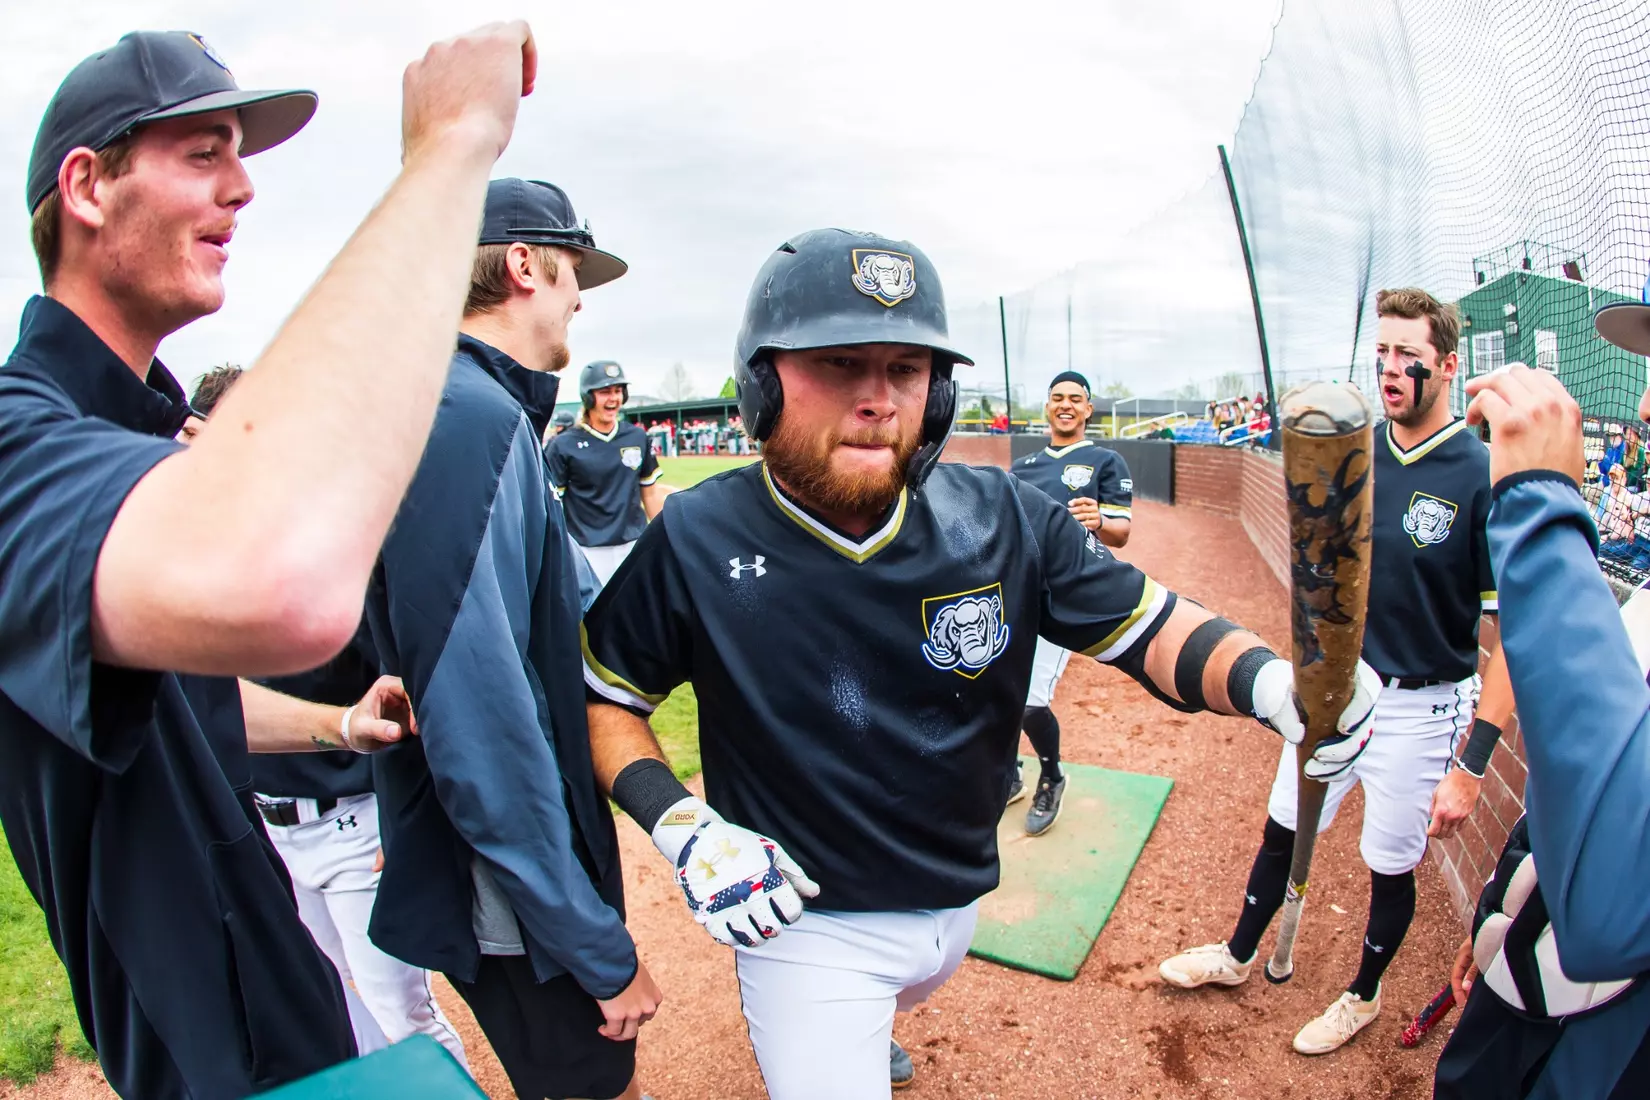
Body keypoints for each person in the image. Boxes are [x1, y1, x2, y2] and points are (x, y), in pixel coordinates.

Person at [577, 228, 1380, 1099]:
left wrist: (1269, 681)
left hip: (959, 896)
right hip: (806, 925)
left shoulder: (1003, 515)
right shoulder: (696, 536)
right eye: (840, 363)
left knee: (909, 987)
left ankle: (877, 1020)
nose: (879, 399)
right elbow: (605, 697)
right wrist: (684, 826)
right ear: (762, 384)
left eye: (907, 369)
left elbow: (1150, 625)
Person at [0, 24, 534, 1097]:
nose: (242, 188)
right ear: (87, 187)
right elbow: (284, 582)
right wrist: (450, 149)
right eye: (204, 153)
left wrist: (333, 723)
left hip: (280, 1006)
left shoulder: (133, 434)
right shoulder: (19, 440)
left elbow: (165, 692)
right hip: (208, 1061)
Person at [363, 178, 659, 1100]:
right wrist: (591, 941)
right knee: (594, 1086)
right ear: (524, 265)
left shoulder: (476, 407)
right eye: (574, 272)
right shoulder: (468, 418)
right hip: (511, 892)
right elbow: (482, 724)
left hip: (505, 862)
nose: (580, 300)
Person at [1159, 287, 1514, 1055]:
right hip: (1335, 686)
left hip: (1422, 705)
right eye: (1381, 352)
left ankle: (1363, 995)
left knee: (1389, 863)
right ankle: (1239, 953)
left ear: (1448, 366)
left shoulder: (1480, 473)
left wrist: (1472, 766)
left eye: (1408, 355)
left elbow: (1510, 634)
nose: (1389, 368)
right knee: (1284, 823)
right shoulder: (1352, 452)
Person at [188, 367, 470, 1066]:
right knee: (335, 1009)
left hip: (353, 823)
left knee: (400, 1014)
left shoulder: (336, 550)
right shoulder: (201, 557)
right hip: (267, 826)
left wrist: (405, 820)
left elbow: (411, 691)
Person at [1431, 291, 1650, 1100]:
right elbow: (1573, 784)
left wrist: (1543, 513)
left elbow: (1612, 903)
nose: (1645, 406)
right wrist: (1502, 916)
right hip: (1531, 979)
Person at [1004, 370, 1134, 834]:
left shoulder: (1105, 460)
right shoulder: (1022, 466)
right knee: (995, 690)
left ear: (1088, 409)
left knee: (1030, 702)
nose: (1066, 405)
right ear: (1047, 406)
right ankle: (1009, 774)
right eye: (1057, 397)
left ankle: (1053, 776)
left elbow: (1121, 532)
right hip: (1015, 590)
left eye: (1075, 399)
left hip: (1062, 598)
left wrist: (1099, 520)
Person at [548, 360, 667, 586]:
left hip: (634, 544)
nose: (613, 398)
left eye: (618, 391)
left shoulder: (637, 437)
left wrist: (667, 534)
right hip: (586, 550)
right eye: (605, 392)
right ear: (588, 397)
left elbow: (650, 493)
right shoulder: (563, 445)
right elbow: (553, 505)